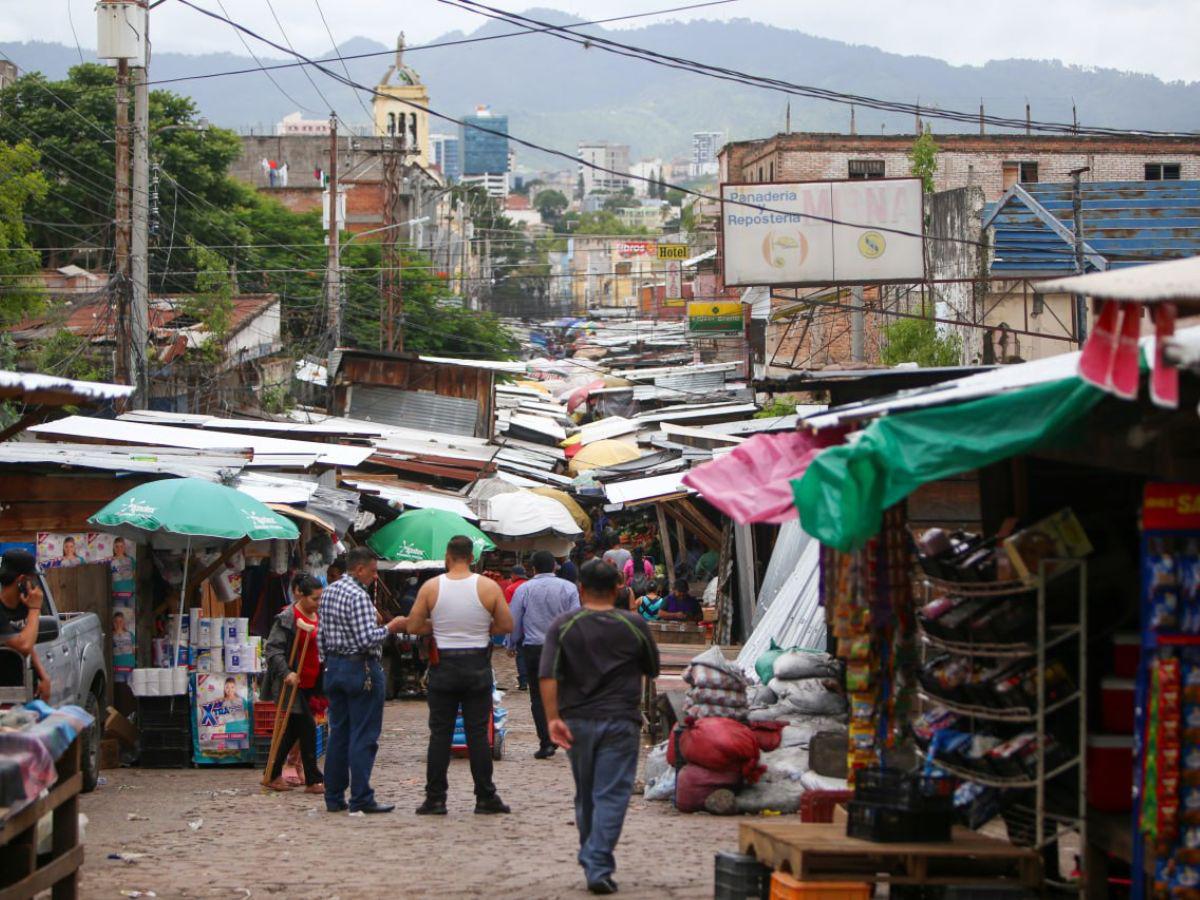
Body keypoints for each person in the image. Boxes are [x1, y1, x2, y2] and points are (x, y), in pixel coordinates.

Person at [540, 559, 660, 895]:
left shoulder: (563, 626)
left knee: (587, 792)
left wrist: (553, 719)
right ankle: (596, 860)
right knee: (612, 793)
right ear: (617, 589)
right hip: (621, 720)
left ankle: (594, 858)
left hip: (576, 720)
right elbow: (652, 669)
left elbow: (548, 675)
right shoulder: (635, 625)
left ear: (580, 588)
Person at [405, 535, 513, 816]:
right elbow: (506, 624)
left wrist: (438, 625)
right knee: (478, 733)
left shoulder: (431, 587)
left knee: (440, 734)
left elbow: (414, 625)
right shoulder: (488, 587)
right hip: (477, 664)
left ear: (447, 557)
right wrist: (480, 627)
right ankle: (485, 796)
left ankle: (436, 798)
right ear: (473, 557)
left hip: (444, 666)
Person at [317, 546, 406, 814]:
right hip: (361, 669)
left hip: (334, 667)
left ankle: (333, 796)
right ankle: (361, 797)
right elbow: (367, 638)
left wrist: (329, 663)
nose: (375, 577)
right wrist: (392, 626)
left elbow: (320, 635)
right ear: (359, 569)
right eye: (373, 571)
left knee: (339, 733)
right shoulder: (358, 596)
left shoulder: (329, 591)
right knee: (363, 734)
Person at [507, 550, 580, 759]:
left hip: (535, 649)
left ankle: (546, 742)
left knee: (538, 697)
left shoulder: (524, 589)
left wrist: (511, 643)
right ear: (555, 567)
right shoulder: (569, 588)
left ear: (533, 568)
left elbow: (516, 619)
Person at [261, 573, 325, 794]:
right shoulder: (287, 617)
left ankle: (271, 774)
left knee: (292, 731)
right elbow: (273, 649)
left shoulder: (320, 616)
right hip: (290, 683)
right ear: (302, 595)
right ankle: (313, 779)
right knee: (306, 727)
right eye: (314, 599)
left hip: (311, 682)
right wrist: (286, 672)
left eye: (320, 599)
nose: (318, 603)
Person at [0, 550, 50, 702]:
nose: (34, 584)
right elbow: (24, 645)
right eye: (32, 578)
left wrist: (43, 676)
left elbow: (22, 636)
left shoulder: (24, 605)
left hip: (25, 692)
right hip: (4, 696)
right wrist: (35, 609)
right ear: (21, 579)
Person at [503, 565, 530, 690]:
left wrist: (509, 637)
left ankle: (523, 682)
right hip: (533, 625)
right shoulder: (532, 586)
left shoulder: (510, 589)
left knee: (521, 654)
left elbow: (510, 612)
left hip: (519, 626)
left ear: (514, 575)